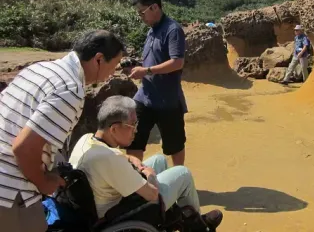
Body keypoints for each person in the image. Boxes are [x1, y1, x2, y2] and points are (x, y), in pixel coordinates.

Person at [0, 30, 125, 231]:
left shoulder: (39, 69)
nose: (113, 72)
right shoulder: (70, 90)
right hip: (10, 190)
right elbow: (23, 148)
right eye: (114, 65)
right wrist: (43, 182)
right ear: (99, 60)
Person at [69, 96, 222, 230]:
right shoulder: (111, 159)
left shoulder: (87, 140)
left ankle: (182, 218)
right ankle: (198, 226)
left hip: (102, 197)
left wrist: (130, 158)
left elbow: (112, 161)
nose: (136, 130)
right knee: (183, 174)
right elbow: (152, 194)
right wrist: (149, 175)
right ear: (114, 129)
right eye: (132, 125)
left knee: (159, 160)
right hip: (117, 213)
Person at [126, 0, 188, 166]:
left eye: (142, 13)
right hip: (144, 96)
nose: (140, 17)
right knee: (134, 139)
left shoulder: (172, 30)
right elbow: (153, 59)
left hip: (167, 99)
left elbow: (177, 63)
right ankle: (135, 181)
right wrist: (135, 65)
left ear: (154, 7)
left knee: (174, 144)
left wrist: (146, 71)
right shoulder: (151, 30)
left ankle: (180, 178)